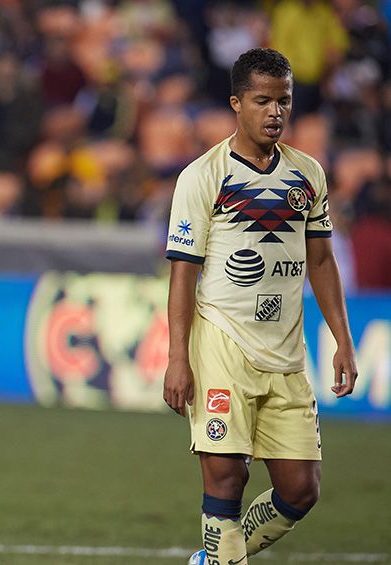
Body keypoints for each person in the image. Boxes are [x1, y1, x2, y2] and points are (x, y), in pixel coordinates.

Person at [163, 48, 358, 565]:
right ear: (236, 103)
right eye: (263, 101)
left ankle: (215, 555)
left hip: (287, 353)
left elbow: (322, 262)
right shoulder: (203, 176)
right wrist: (177, 356)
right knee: (227, 476)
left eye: (284, 101)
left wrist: (343, 340)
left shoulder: (308, 175)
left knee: (301, 489)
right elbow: (183, 274)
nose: (275, 112)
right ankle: (224, 555)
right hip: (223, 342)